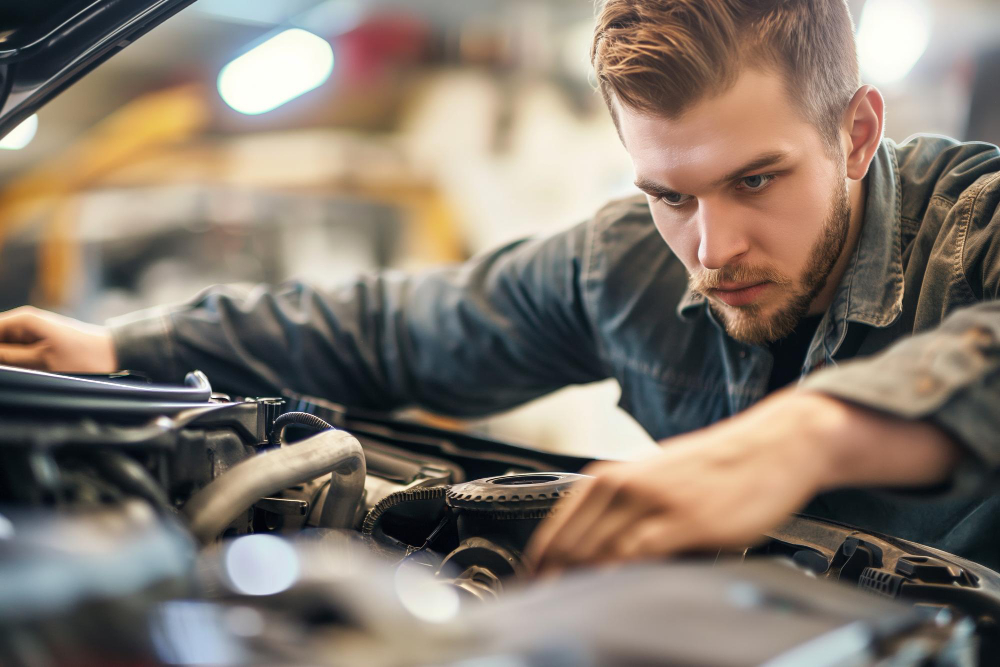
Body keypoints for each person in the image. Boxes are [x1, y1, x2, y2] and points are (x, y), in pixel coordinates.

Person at [1, 0, 998, 576]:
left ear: (857, 133)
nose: (712, 245)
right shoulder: (616, 266)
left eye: (755, 179)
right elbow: (390, 330)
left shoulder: (973, 223)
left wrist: (802, 436)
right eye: (668, 193)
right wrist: (124, 349)